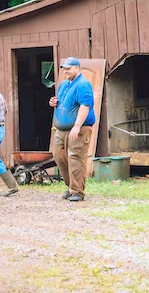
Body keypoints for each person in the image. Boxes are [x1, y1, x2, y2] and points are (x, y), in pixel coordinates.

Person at [49, 57, 95, 202]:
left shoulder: (83, 84)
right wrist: (53, 102)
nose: (66, 71)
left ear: (77, 68)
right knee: (59, 156)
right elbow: (61, 102)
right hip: (61, 130)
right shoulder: (64, 84)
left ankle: (77, 191)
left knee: (75, 158)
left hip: (78, 129)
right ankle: (71, 186)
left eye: (69, 68)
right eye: (64, 68)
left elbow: (85, 106)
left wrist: (77, 126)